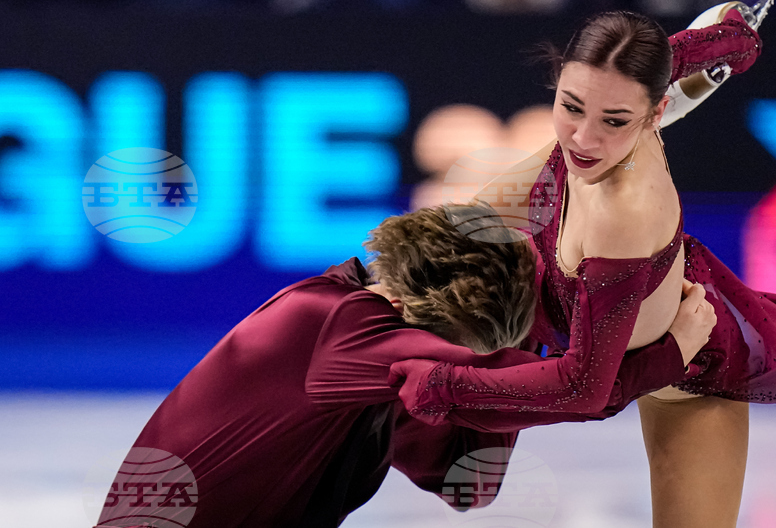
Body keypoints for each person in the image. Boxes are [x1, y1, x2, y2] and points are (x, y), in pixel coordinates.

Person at [389, 6, 776, 527]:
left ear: (653, 115)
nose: (583, 139)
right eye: (570, 105)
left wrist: (440, 384)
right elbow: (688, 55)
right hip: (617, 330)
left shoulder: (624, 213)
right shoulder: (621, 91)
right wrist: (731, 38)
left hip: (688, 374)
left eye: (615, 121)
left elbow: (586, 390)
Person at [94, 202, 712, 528]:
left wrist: (519, 370)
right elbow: (579, 392)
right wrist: (670, 354)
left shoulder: (378, 372)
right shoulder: (334, 324)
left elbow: (469, 485)